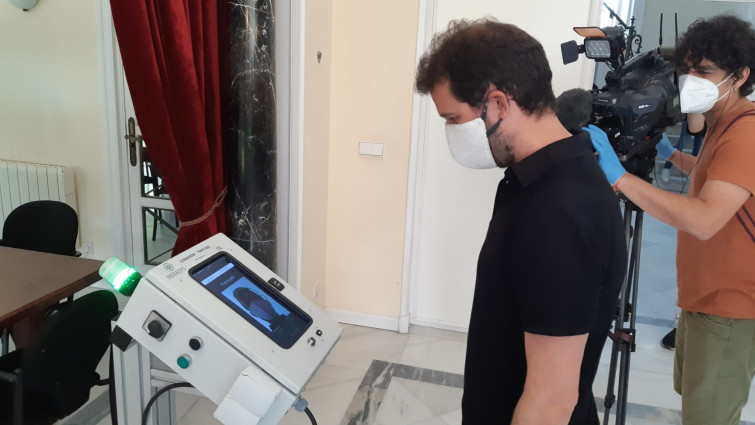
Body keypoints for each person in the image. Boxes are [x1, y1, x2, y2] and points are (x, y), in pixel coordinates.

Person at [415, 18, 627, 424]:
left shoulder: (560, 211)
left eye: (453, 118)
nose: (450, 131)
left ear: (497, 104)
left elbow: (552, 399)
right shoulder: (535, 179)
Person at [585, 15, 755, 425]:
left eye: (704, 70)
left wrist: (621, 178)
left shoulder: (746, 133)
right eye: (688, 68)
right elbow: (718, 177)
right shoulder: (723, 121)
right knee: (696, 403)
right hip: (701, 296)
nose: (691, 79)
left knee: (709, 416)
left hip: (730, 307)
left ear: (740, 76)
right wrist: (669, 153)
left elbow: (705, 219)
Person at [660, 113, 706, 183]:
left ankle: (692, 170)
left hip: (706, 121)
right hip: (692, 116)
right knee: (682, 144)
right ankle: (667, 167)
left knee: (698, 148)